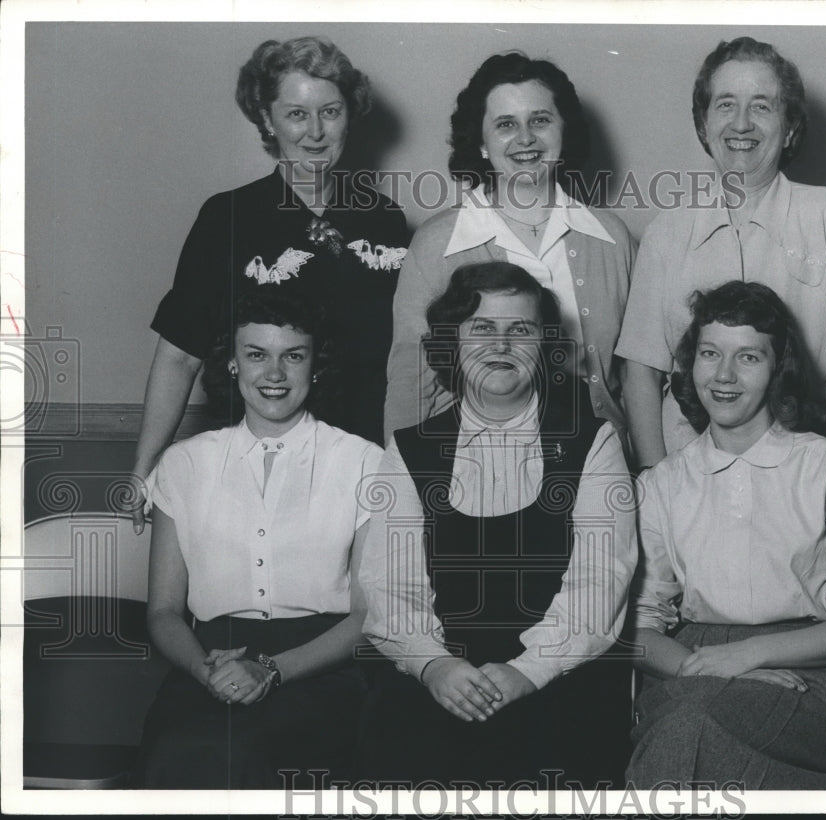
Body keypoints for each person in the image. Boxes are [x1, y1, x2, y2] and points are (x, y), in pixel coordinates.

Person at [360, 262, 637, 787]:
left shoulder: (593, 442)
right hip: (441, 677)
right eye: (481, 328)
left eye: (521, 329)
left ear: (544, 343)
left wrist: (527, 672)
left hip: (560, 676)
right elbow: (390, 590)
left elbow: (602, 583)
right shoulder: (410, 448)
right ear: (453, 342)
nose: (500, 345)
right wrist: (434, 667)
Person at [131, 35, 407, 531]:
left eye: (331, 111)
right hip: (255, 464)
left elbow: (402, 359)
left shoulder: (384, 219)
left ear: (350, 115)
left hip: (362, 467)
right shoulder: (227, 218)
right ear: (266, 119)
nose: (316, 132)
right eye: (297, 114)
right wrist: (143, 467)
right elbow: (179, 354)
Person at [628, 280, 826, 789]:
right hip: (690, 665)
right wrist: (702, 667)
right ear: (690, 364)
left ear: (778, 369)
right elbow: (635, 627)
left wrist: (747, 656)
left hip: (813, 671)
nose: (723, 375)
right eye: (709, 354)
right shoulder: (660, 484)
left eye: (748, 357)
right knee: (691, 721)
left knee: (688, 730)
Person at [133, 287, 382, 788]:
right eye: (256, 355)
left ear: (316, 365)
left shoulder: (364, 461)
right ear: (231, 364)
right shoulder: (182, 463)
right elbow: (163, 611)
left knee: (244, 754)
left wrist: (271, 669)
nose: (273, 375)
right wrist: (206, 672)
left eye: (293, 356)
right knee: (180, 751)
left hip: (320, 665)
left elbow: (370, 615)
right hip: (207, 661)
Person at [616, 36, 826, 468]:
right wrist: (656, 484)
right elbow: (639, 372)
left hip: (798, 466)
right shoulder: (666, 233)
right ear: (704, 125)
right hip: (687, 468)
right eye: (725, 104)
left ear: (791, 126)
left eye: (762, 106)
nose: (741, 123)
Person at [383, 51, 635, 445]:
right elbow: (410, 381)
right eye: (505, 124)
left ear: (563, 131)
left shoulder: (611, 237)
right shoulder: (437, 244)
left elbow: (635, 375)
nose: (525, 138)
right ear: (481, 143)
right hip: (475, 469)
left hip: (600, 464)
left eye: (540, 120)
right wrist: (404, 480)